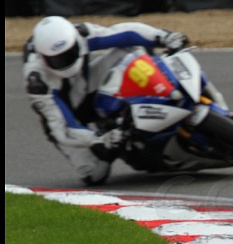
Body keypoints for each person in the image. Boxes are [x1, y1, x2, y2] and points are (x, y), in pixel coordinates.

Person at [22, 15, 190, 185]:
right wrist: (100, 139)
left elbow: (125, 33)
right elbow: (64, 128)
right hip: (66, 111)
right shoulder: (37, 80)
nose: (65, 61)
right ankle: (118, 140)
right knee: (95, 173)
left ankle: (156, 93)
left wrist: (164, 37)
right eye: (57, 59)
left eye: (70, 53)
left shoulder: (81, 34)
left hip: (85, 84)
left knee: (132, 49)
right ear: (43, 57)